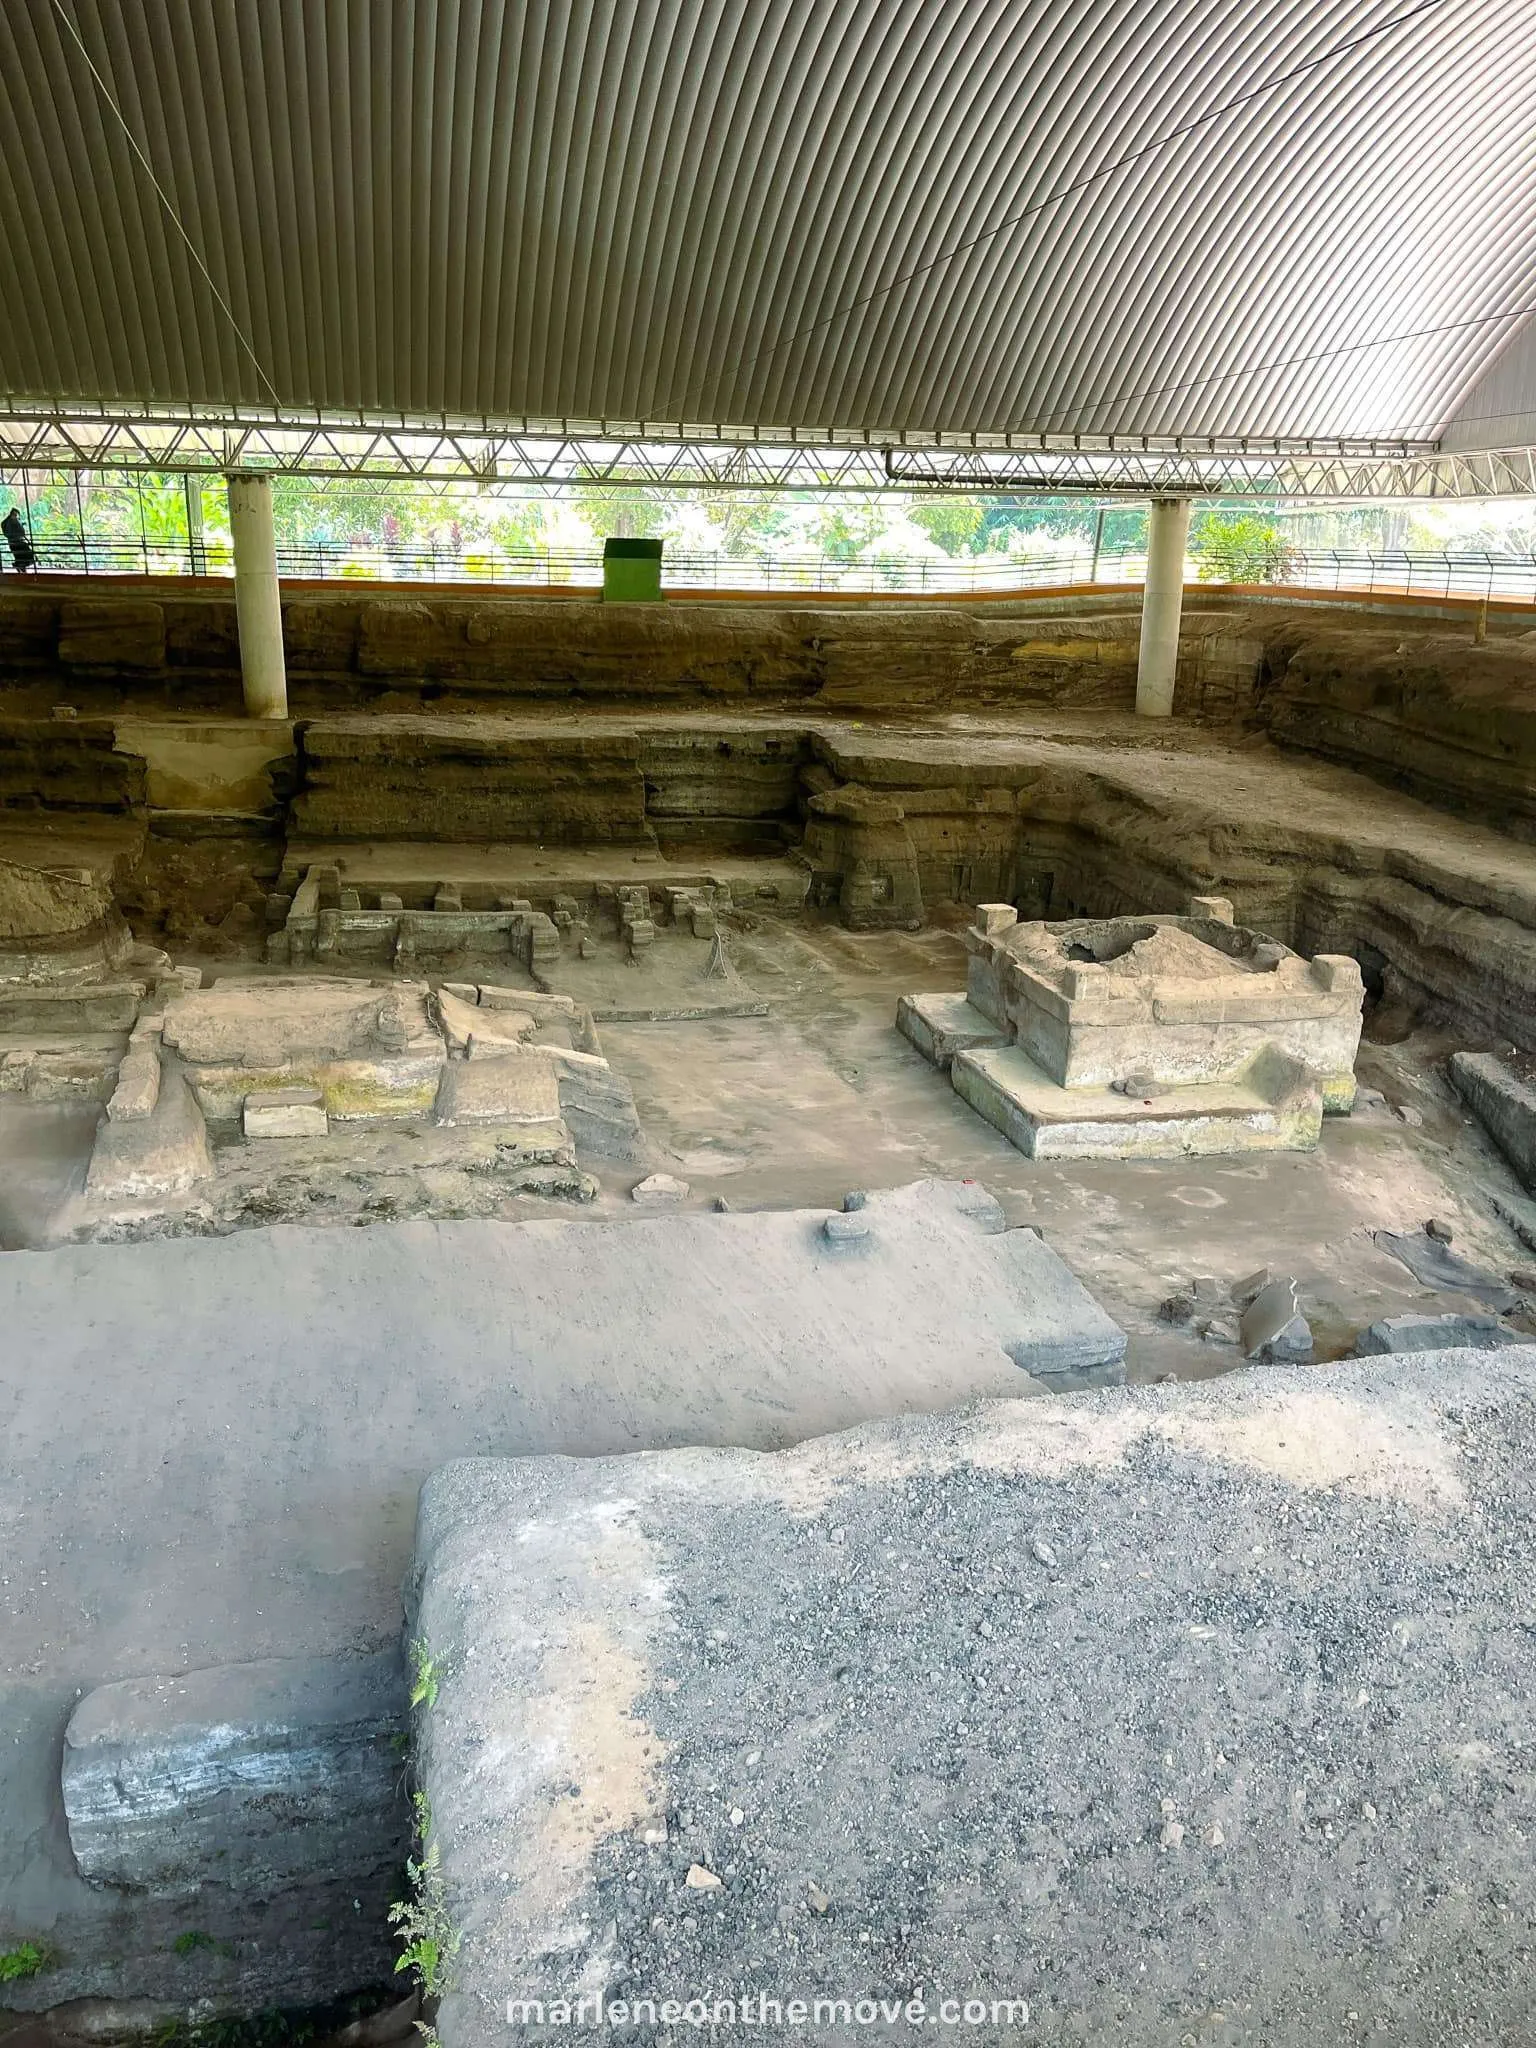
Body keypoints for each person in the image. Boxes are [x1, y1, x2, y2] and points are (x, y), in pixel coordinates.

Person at [2, 507, 37, 571]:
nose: (16, 516)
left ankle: (20, 566)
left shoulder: (13, 521)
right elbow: (11, 533)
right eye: (15, 515)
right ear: (12, 514)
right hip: (16, 542)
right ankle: (20, 566)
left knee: (21, 556)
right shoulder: (10, 522)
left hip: (16, 542)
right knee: (24, 555)